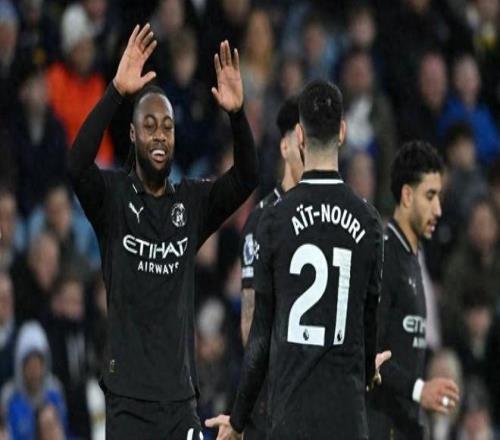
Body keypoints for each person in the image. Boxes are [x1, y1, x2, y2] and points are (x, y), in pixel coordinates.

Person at [67, 23, 257, 439]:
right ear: (133, 134)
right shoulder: (113, 198)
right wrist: (116, 91)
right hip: (127, 403)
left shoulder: (191, 202)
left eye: (167, 127)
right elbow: (76, 165)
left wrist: (237, 115)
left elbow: (247, 176)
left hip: (179, 403)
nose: (160, 135)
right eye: (150, 125)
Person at [207, 79, 389, 439]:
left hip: (291, 418)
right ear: (342, 132)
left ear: (301, 136)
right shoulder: (369, 222)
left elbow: (259, 336)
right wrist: (369, 369)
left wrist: (239, 421)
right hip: (346, 420)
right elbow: (369, 318)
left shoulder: (274, 219)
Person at [367, 141, 460, 439]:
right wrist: (420, 390)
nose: (438, 209)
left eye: (440, 197)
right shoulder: (384, 256)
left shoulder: (412, 259)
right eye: (430, 196)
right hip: (376, 426)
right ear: (407, 195)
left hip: (402, 425)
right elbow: (370, 352)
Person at [239, 96, 302, 439]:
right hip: (274, 395)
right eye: (301, 139)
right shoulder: (263, 220)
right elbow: (250, 322)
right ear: (285, 146)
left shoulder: (329, 218)